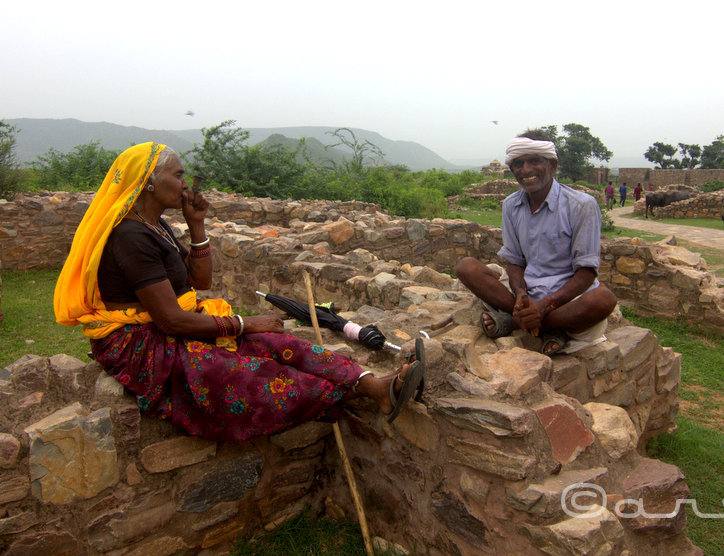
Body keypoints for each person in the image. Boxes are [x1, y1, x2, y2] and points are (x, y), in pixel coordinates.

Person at [53, 142, 424, 441]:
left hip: (175, 325)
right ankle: (370, 393)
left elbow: (198, 283)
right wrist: (245, 323)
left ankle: (373, 385)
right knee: (250, 378)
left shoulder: (156, 226)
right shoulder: (130, 236)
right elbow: (169, 320)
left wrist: (196, 225)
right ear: (149, 181)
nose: (185, 184)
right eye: (178, 174)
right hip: (143, 343)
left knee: (285, 346)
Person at [455, 130, 617, 355]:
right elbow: (515, 262)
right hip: (528, 291)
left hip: (566, 298)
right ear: (512, 170)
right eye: (518, 164)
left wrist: (545, 306)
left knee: (604, 300)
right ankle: (546, 326)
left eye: (534, 161)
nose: (526, 170)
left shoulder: (581, 205)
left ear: (552, 165)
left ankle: (514, 322)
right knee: (466, 267)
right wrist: (521, 293)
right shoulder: (511, 205)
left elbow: (587, 273)